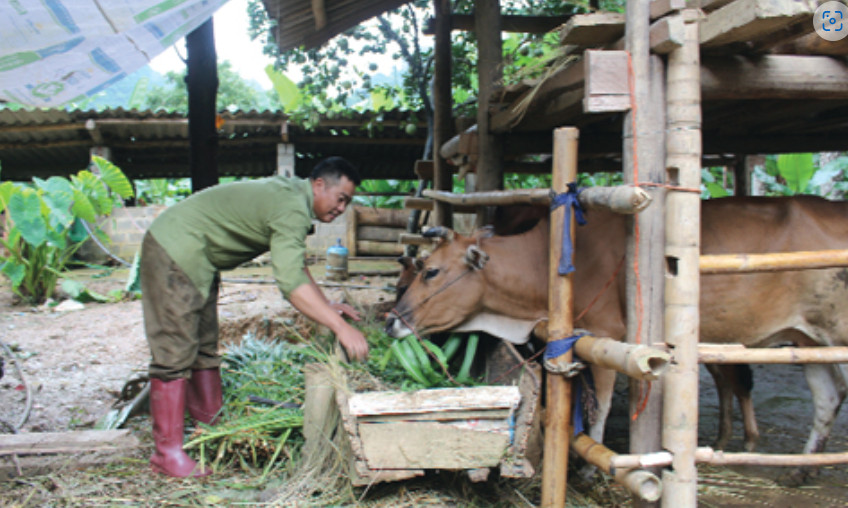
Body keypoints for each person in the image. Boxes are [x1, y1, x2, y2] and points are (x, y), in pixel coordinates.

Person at [139, 156, 369, 478]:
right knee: (175, 351)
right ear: (319, 185)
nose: (342, 208)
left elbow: (296, 267)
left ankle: (209, 427)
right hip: (175, 249)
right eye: (340, 198)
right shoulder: (292, 207)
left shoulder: (294, 198)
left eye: (347, 202)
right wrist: (341, 328)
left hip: (197, 257)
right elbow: (290, 285)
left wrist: (326, 306)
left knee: (203, 346)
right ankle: (167, 454)